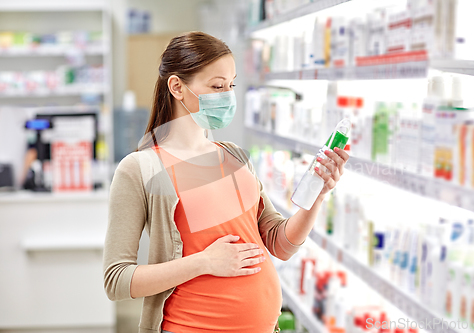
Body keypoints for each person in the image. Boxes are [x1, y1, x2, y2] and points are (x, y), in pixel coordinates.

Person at [103, 31, 349, 333]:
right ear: (177, 87)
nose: (227, 96)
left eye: (231, 85)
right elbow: (116, 280)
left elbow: (280, 243)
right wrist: (204, 262)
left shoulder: (235, 156)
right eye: (217, 86)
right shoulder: (140, 168)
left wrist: (318, 193)